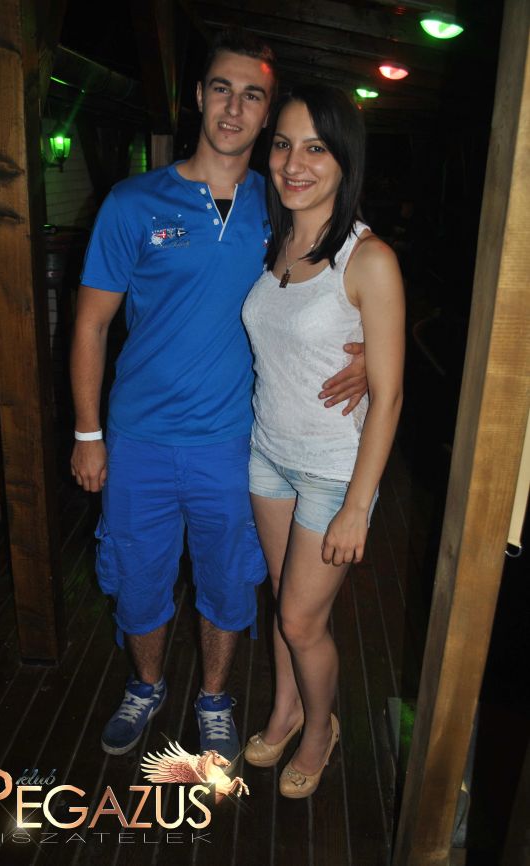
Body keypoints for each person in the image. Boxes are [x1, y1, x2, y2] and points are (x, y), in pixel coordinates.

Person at [70, 31, 367, 762]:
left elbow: (354, 273)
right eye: (222, 90)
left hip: (237, 442)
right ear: (199, 97)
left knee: (229, 583)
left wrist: (368, 354)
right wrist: (87, 434)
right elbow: (90, 324)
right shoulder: (132, 203)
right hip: (137, 439)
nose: (234, 108)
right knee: (136, 577)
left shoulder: (285, 202)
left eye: (252, 95)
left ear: (267, 112)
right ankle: (145, 685)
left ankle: (213, 697)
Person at [242, 85, 405, 796]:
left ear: (345, 159)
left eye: (315, 147)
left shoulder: (369, 260)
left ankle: (320, 729)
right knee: (284, 602)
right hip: (268, 453)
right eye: (283, 144)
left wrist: (356, 508)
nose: (293, 162)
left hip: (332, 472)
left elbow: (390, 395)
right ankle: (285, 711)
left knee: (301, 620)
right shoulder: (278, 240)